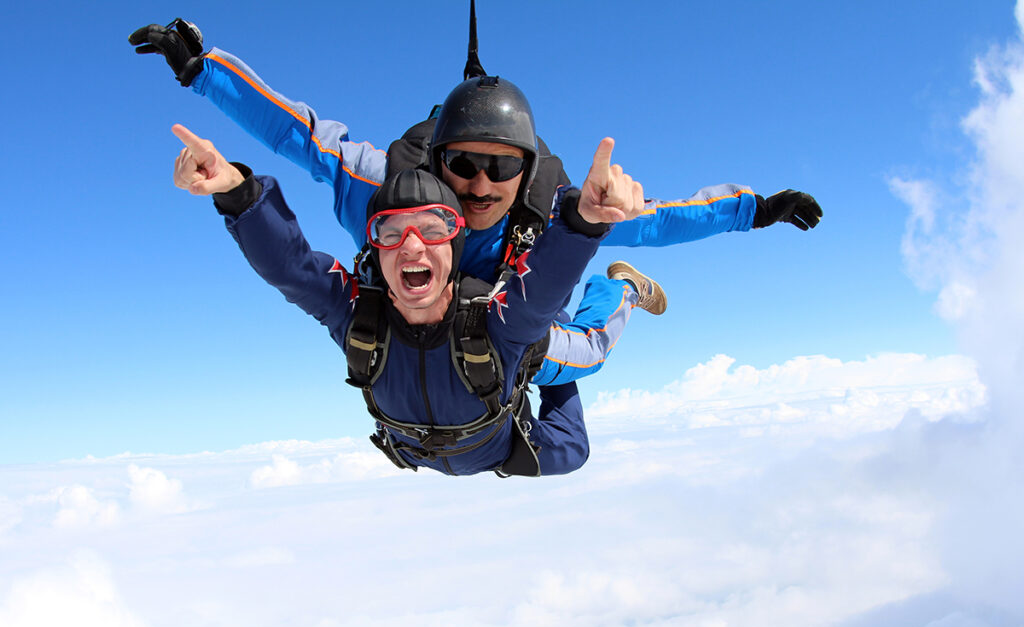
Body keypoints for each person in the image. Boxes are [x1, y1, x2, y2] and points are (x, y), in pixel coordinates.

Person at [129, 20, 822, 386]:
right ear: (435, 161)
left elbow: (660, 220)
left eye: (503, 169)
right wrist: (204, 74)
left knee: (584, 355)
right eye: (463, 166)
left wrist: (754, 209)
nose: (482, 186)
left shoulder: (556, 209)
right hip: (421, 325)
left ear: (528, 172)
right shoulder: (386, 192)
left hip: (512, 327)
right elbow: (303, 135)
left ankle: (622, 297)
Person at [172, 124, 643, 476]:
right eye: (390, 232)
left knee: (576, 428)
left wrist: (584, 223)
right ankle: (533, 358)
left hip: (498, 445)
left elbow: (542, 289)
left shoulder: (497, 320)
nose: (412, 246)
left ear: (455, 246)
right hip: (431, 451)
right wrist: (238, 194)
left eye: (433, 229)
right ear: (374, 247)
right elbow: (290, 269)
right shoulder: (359, 316)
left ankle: (614, 289)